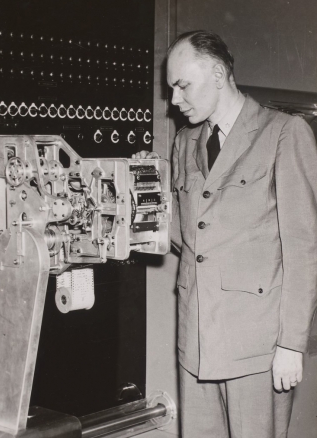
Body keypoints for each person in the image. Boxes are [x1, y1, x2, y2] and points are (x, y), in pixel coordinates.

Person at [135, 30, 317, 437]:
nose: (175, 100)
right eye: (170, 89)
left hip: (257, 347)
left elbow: (304, 249)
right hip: (196, 340)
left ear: (218, 74)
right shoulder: (185, 142)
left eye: (182, 85)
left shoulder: (283, 134)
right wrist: (143, 196)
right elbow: (188, 239)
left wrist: (292, 345)